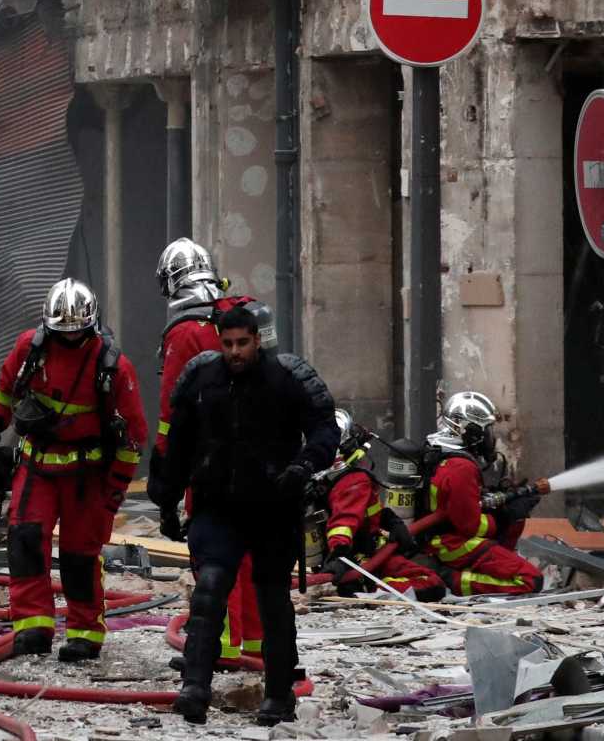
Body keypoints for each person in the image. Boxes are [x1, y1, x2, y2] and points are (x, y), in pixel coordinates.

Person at [149, 306, 338, 726]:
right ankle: (195, 687)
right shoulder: (201, 379)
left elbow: (326, 428)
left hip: (273, 506)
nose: (235, 352)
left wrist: (305, 466)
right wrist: (166, 498)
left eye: (243, 343)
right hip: (219, 506)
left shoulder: (287, 378)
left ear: (257, 340)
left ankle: (278, 694)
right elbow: (176, 444)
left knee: (272, 599)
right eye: (228, 343)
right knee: (210, 588)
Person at [0, 278, 147, 661]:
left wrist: (114, 491)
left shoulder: (112, 366)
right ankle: (32, 627)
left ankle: (84, 632)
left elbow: (133, 438)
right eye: (62, 334)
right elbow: (3, 396)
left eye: (75, 334)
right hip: (37, 466)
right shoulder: (31, 349)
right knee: (25, 541)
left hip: (86, 477)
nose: (68, 340)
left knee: (80, 554)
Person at [154, 237, 264, 662]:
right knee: (252, 553)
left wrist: (167, 487)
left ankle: (216, 647)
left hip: (210, 463)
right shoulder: (245, 314)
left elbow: (172, 414)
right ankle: (257, 645)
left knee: (214, 555)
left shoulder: (185, 332)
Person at [419, 391, 544, 595]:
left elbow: (457, 502)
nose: (491, 438)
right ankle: (453, 580)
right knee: (530, 580)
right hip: (453, 545)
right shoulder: (461, 467)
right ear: (471, 432)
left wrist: (496, 497)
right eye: (487, 430)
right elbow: (470, 527)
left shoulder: (438, 450)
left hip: (438, 540)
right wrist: (505, 515)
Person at [319, 410, 442, 600]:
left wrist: (389, 521)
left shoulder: (330, 479)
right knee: (430, 583)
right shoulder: (354, 480)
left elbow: (363, 513)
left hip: (362, 555)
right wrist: (339, 555)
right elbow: (344, 523)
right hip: (362, 560)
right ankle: (370, 589)